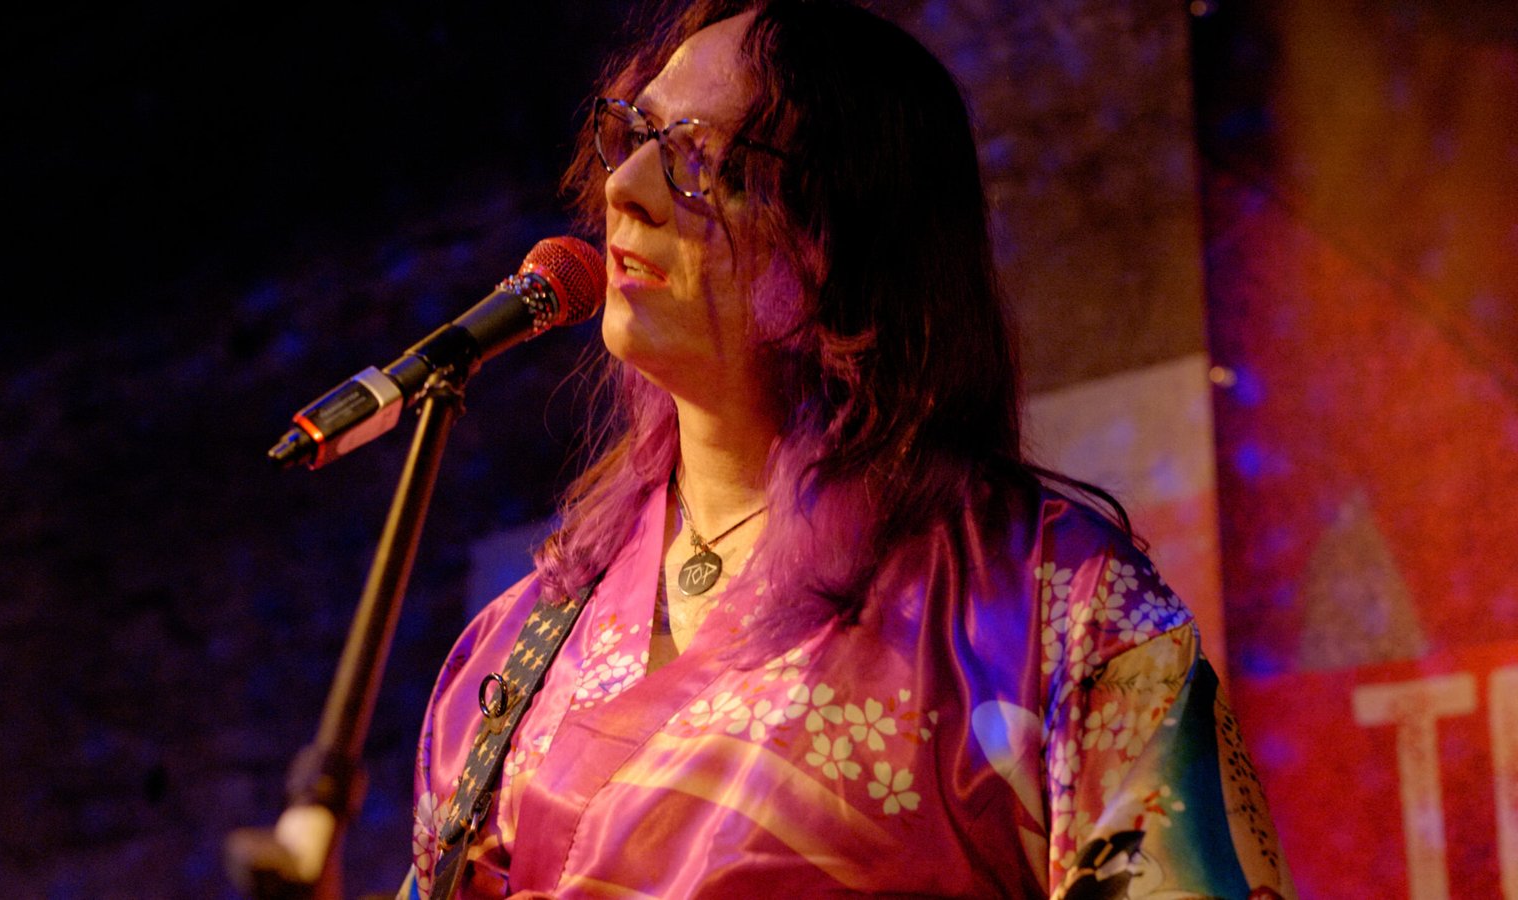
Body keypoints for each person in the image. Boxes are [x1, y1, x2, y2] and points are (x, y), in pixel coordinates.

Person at [407, 1, 1295, 897]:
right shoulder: (515, 645)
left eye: (699, 159)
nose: (624, 188)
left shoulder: (1050, 608)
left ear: (847, 241)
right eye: (634, 135)